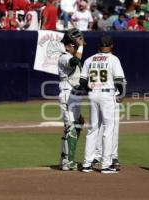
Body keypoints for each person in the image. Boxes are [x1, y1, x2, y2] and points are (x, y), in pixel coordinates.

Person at [80, 35, 126, 173]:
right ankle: (106, 164)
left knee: (93, 128)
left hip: (93, 93)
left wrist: (91, 90)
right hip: (107, 95)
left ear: (99, 46)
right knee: (108, 129)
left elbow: (82, 81)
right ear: (111, 46)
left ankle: (87, 163)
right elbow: (118, 80)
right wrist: (121, 94)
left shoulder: (89, 59)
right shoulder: (113, 59)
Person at [58, 28, 86, 171]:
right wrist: (79, 46)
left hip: (74, 95)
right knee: (70, 128)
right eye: (75, 45)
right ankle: (67, 162)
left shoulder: (69, 55)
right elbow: (74, 61)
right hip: (67, 94)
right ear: (69, 45)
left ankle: (67, 158)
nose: (78, 48)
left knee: (77, 124)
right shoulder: (64, 56)